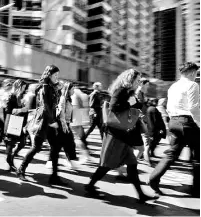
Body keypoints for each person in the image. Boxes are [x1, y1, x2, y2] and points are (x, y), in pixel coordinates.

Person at [85, 69, 156, 203]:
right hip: (116, 134)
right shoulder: (121, 90)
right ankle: (90, 186)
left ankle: (141, 195)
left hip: (123, 134)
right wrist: (130, 102)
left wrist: (134, 102)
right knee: (106, 165)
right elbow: (114, 106)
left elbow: (134, 107)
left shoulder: (129, 92)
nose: (138, 82)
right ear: (130, 80)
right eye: (137, 80)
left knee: (132, 164)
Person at [149, 62, 200, 197]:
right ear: (191, 72)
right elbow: (194, 108)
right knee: (198, 156)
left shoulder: (173, 86)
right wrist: (200, 124)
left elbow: (169, 107)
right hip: (188, 123)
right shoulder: (192, 85)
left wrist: (175, 121)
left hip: (174, 122)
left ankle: (153, 178)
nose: (196, 76)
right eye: (196, 73)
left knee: (172, 153)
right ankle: (197, 189)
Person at [17, 65, 67, 185]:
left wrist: (59, 89)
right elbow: (45, 107)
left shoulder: (52, 87)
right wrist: (52, 122)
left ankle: (54, 176)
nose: (57, 78)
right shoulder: (45, 87)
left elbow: (54, 105)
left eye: (58, 75)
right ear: (49, 75)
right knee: (36, 147)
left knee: (55, 148)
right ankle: (21, 169)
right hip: (44, 122)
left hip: (49, 121)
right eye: (55, 75)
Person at [3, 79, 28, 171]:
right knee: (11, 143)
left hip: (19, 122)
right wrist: (21, 110)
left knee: (23, 142)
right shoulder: (11, 96)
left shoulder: (20, 96)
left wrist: (24, 108)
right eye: (23, 88)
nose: (24, 90)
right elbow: (9, 112)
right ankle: (10, 161)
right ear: (18, 86)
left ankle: (11, 157)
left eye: (25, 88)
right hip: (12, 122)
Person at [133, 78, 151, 165]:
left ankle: (140, 157)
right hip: (140, 117)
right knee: (146, 137)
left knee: (144, 138)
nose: (148, 86)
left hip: (142, 117)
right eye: (147, 85)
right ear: (142, 84)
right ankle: (146, 159)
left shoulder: (141, 93)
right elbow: (138, 106)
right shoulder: (138, 92)